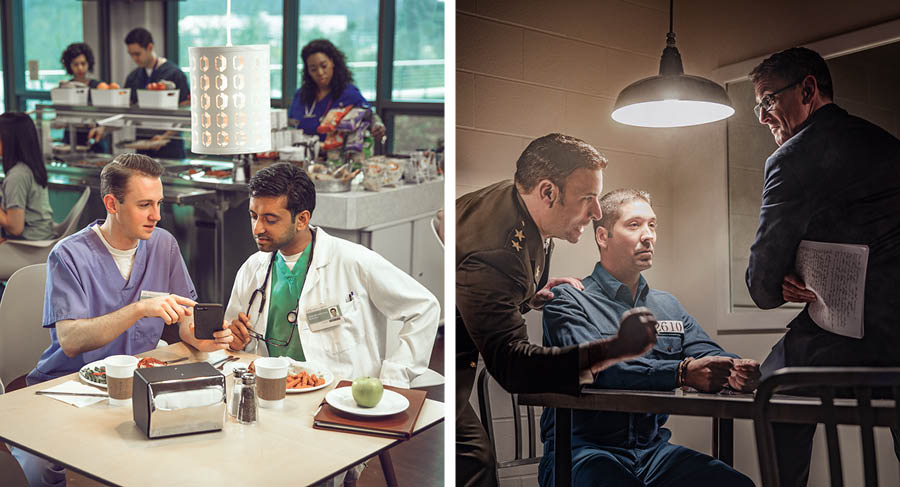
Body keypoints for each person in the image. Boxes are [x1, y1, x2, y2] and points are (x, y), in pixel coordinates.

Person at [11, 153, 233, 486]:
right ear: (112, 203)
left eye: (159, 204)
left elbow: (185, 315)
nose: (157, 216)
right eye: (145, 205)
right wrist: (140, 309)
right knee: (45, 468)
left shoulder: (163, 245)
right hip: (71, 388)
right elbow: (71, 340)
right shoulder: (69, 255)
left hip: (138, 388)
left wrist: (196, 335)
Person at [456, 133, 659, 486]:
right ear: (548, 192)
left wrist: (528, 296)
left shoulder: (520, 203)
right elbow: (512, 367)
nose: (597, 213)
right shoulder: (497, 252)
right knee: (475, 465)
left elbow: (489, 285)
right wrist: (614, 350)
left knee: (475, 460)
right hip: (435, 356)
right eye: (587, 199)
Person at [224, 162, 439, 486]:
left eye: (270, 219)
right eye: (254, 216)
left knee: (315, 476)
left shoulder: (353, 261)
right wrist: (234, 338)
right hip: (270, 400)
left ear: (302, 219)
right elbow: (232, 332)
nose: (257, 228)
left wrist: (394, 378)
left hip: (335, 402)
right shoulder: (254, 267)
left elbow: (424, 307)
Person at [745, 47, 900, 486]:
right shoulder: (889, 146)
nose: (762, 117)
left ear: (808, 89)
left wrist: (781, 278)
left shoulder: (792, 157)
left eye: (767, 101)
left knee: (775, 383)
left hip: (847, 344)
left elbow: (760, 285)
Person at [539, 189, 758, 487]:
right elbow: (595, 368)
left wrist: (735, 370)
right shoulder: (568, 299)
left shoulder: (668, 306)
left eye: (652, 225)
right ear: (603, 236)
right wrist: (681, 373)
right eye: (634, 225)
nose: (648, 236)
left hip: (654, 454)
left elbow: (709, 354)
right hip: (581, 453)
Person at [287, 39, 385, 141]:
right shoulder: (300, 96)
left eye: (324, 66)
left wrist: (377, 126)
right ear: (307, 71)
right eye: (313, 69)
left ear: (333, 62)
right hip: (304, 154)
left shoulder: (348, 93)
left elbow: (370, 116)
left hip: (338, 155)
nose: (320, 72)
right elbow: (290, 126)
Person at [123, 27, 189, 159]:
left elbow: (186, 113)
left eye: (137, 54)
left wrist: (164, 137)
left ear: (150, 47)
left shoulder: (174, 74)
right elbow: (126, 110)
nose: (134, 58)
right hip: (142, 147)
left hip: (170, 146)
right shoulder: (133, 77)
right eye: (131, 54)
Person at [0, 113, 55, 244]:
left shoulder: (17, 176)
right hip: (42, 236)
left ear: (10, 140)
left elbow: (15, 228)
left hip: (29, 245)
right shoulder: (30, 167)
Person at [58, 42, 108, 152]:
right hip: (71, 138)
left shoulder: (99, 86)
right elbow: (60, 117)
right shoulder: (65, 87)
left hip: (94, 138)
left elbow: (106, 116)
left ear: (88, 63)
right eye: (75, 64)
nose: (80, 68)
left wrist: (101, 127)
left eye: (83, 63)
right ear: (69, 66)